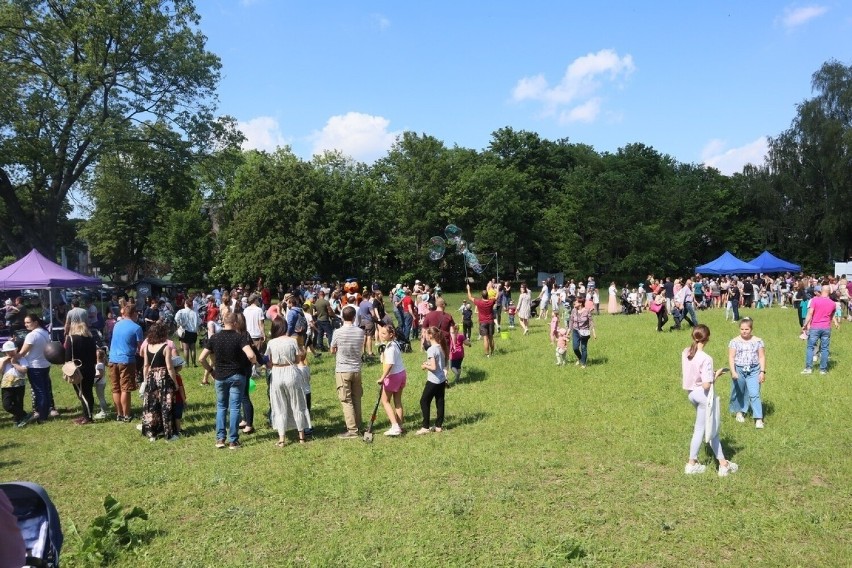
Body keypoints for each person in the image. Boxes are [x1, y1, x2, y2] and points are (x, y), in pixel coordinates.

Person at [682, 324, 739, 476]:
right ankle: (696, 463)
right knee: (708, 430)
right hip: (703, 396)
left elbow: (694, 374)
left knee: (705, 429)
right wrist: (716, 374)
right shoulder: (706, 358)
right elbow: (707, 384)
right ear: (707, 338)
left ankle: (720, 463)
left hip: (691, 394)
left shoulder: (686, 352)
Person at [199, 312, 257, 449]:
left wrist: (211, 371)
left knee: (221, 407)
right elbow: (251, 354)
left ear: (222, 322)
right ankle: (233, 440)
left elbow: (201, 358)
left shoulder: (214, 338)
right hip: (237, 375)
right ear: (235, 323)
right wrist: (253, 363)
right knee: (235, 407)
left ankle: (220, 438)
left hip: (220, 376)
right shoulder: (239, 338)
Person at [265, 317, 309, 446]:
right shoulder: (292, 341)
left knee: (279, 406)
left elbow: (270, 361)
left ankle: (282, 438)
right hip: (290, 372)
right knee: (297, 403)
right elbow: (296, 359)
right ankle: (301, 436)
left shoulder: (271, 343)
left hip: (277, 372)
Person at [330, 306, 365, 438]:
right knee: (357, 399)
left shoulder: (337, 332)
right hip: (356, 369)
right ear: (354, 317)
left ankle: (352, 429)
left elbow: (332, 350)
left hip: (343, 369)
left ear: (342, 317)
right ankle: (358, 424)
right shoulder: (360, 332)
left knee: (346, 400)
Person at [140, 322, 178, 441]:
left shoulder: (147, 347)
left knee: (152, 406)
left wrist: (145, 380)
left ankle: (152, 433)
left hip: (151, 377)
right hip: (164, 378)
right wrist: (175, 382)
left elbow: (145, 365)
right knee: (166, 405)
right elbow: (170, 367)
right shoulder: (166, 347)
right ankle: (169, 433)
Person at [728, 317, 766, 429]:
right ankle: (739, 412)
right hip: (739, 369)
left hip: (754, 370)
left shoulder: (758, 341)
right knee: (739, 392)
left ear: (751, 329)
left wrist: (762, 372)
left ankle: (758, 418)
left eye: (747, 329)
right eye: (742, 329)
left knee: (754, 393)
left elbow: (762, 356)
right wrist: (733, 371)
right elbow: (731, 357)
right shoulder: (734, 342)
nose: (744, 331)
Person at [108, 304, 144, 422]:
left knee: (115, 388)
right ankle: (127, 414)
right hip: (127, 360)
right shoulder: (136, 328)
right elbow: (141, 348)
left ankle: (119, 414)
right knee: (125, 388)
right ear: (134, 313)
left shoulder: (116, 325)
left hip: (113, 359)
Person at [18, 314, 53, 423]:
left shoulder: (31, 335)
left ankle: (42, 416)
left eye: (28, 322)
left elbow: (23, 352)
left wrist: (12, 358)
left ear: (35, 322)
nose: (26, 325)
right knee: (45, 390)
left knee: (39, 391)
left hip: (34, 365)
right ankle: (46, 412)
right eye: (25, 323)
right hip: (45, 364)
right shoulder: (45, 332)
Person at [64, 320, 98, 425]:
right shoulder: (91, 339)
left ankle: (88, 417)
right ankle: (86, 414)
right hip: (90, 368)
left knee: (82, 394)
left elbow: (68, 356)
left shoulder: (71, 339)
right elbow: (94, 356)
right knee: (88, 392)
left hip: (77, 369)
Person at [416, 326, 448, 435]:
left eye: (425, 333)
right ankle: (438, 426)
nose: (424, 335)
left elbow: (434, 367)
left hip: (433, 380)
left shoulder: (431, 349)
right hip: (442, 380)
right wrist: (429, 364)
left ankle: (425, 427)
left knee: (424, 401)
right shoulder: (441, 347)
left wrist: (425, 366)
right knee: (440, 401)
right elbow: (440, 365)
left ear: (430, 336)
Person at [376, 322, 406, 436]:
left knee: (385, 401)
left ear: (391, 334)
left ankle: (395, 426)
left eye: (384, 333)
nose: (381, 335)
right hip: (401, 373)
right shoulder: (395, 344)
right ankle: (400, 425)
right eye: (380, 333)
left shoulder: (390, 348)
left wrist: (382, 378)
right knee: (397, 401)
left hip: (393, 376)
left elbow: (389, 365)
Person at [801, 284, 835, 375]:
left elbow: (810, 313)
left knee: (810, 347)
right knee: (825, 348)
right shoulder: (832, 303)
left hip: (815, 327)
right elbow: (831, 316)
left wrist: (805, 325)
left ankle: (808, 368)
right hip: (826, 328)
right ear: (829, 292)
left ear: (821, 290)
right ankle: (823, 370)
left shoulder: (815, 300)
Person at [1, 340, 32, 427]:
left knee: (18, 403)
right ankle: (24, 415)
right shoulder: (2, 360)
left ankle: (18, 420)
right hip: (6, 385)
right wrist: (4, 362)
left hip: (19, 385)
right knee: (7, 405)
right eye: (7, 352)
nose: (10, 353)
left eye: (11, 351)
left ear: (16, 350)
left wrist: (14, 363)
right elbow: (1, 371)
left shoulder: (21, 359)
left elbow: (24, 370)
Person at [466, 284, 496, 357]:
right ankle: (492, 352)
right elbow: (497, 297)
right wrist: (497, 289)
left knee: (485, 338)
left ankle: (487, 354)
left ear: (481, 296)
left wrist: (468, 289)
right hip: (491, 321)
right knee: (491, 337)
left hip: (482, 322)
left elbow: (470, 297)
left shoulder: (479, 302)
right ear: (487, 295)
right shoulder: (491, 302)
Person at [567, 297, 596, 368]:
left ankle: (583, 363)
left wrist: (593, 332)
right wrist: (569, 330)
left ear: (580, 303)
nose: (574, 303)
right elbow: (571, 320)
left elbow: (590, 321)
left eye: (576, 302)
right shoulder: (574, 310)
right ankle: (580, 358)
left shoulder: (587, 311)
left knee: (583, 348)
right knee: (575, 348)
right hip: (576, 331)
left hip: (584, 332)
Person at [174, 298, 200, 367]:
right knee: (193, 348)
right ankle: (194, 363)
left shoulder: (181, 311)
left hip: (185, 331)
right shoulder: (195, 313)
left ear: (185, 304)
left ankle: (187, 364)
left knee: (186, 349)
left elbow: (176, 318)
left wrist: (180, 324)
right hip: (193, 332)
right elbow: (199, 322)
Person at [93, 349, 109, 419]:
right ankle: (103, 411)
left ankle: (103, 412)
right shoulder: (101, 364)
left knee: (101, 398)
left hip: (100, 383)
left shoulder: (99, 365)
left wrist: (92, 376)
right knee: (101, 397)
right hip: (101, 383)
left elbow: (100, 375)